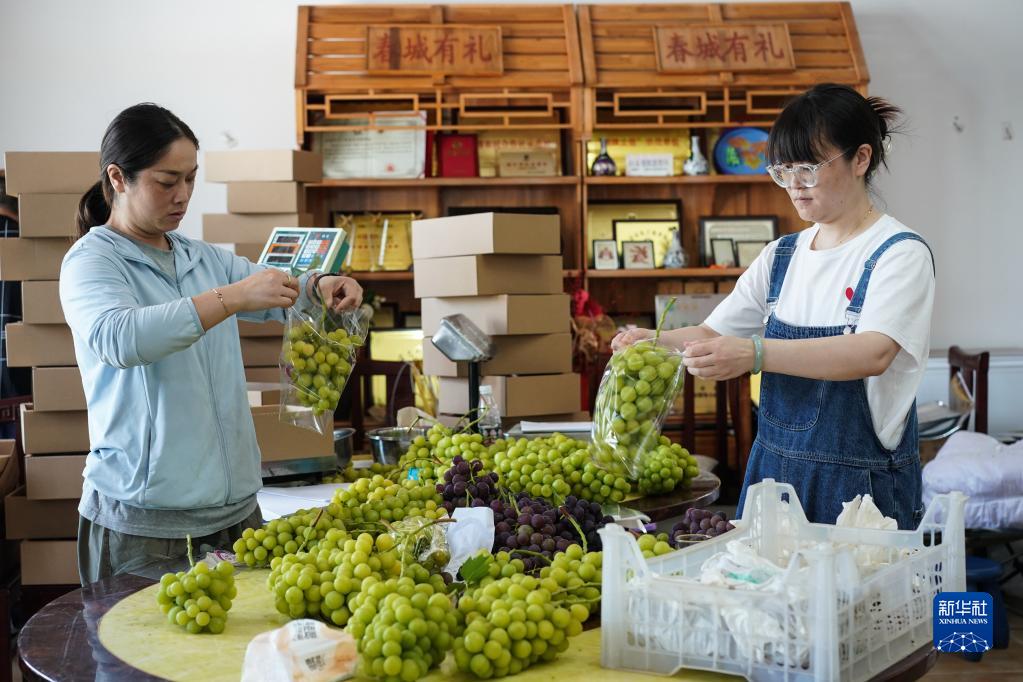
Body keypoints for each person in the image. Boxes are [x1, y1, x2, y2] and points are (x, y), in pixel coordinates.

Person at [61, 103, 363, 584]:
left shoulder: (202, 259)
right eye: (166, 181)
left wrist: (320, 285)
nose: (182, 195)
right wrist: (230, 298)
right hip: (145, 524)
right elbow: (118, 337)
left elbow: (278, 287)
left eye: (191, 179)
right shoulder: (92, 262)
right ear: (118, 178)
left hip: (236, 517)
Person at [613, 83, 934, 529]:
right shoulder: (783, 254)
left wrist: (756, 353)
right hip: (774, 473)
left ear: (861, 159)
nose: (794, 187)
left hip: (859, 486)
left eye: (807, 169)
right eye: (782, 172)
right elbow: (711, 333)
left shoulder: (898, 252)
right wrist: (655, 340)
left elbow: (873, 352)